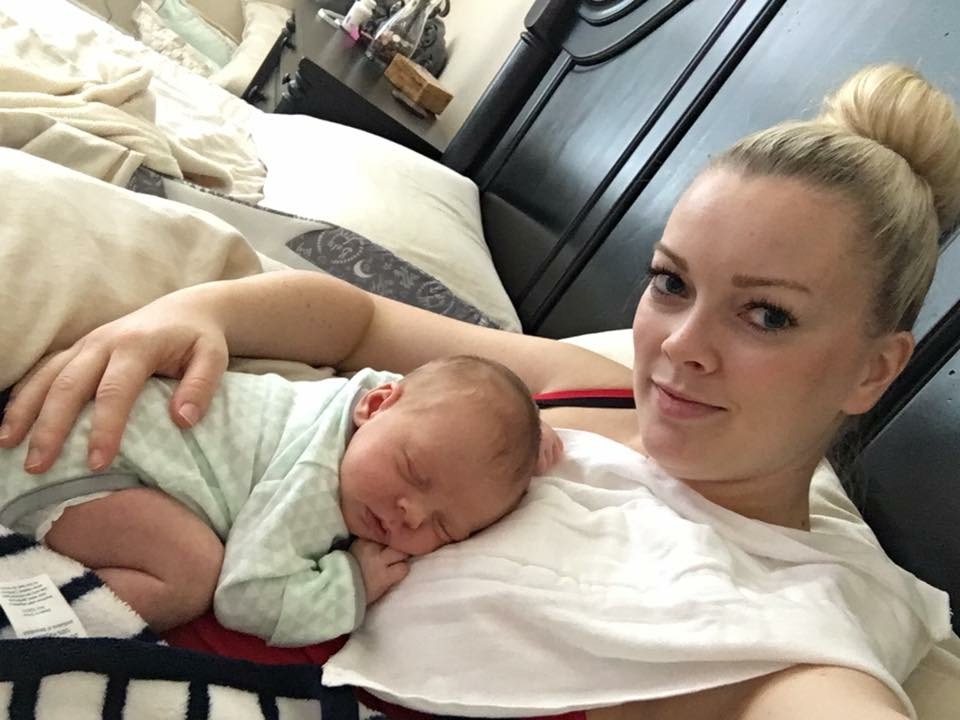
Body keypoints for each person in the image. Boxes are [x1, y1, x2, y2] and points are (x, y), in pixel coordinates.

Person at [2, 63, 958, 718]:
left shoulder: (796, 618)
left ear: (874, 369)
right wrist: (192, 313)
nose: (679, 347)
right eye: (671, 283)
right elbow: (357, 323)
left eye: (767, 316)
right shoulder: (597, 392)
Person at [0, 355, 547, 643]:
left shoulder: (372, 407)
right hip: (80, 464)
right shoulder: (317, 479)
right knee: (193, 572)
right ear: (376, 405)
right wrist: (350, 584)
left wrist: (522, 443)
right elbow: (246, 598)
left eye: (443, 527)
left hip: (85, 450)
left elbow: (445, 413)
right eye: (414, 472)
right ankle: (29, 624)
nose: (411, 514)